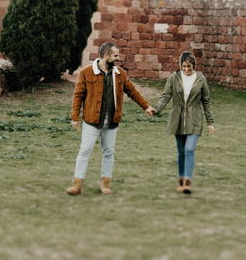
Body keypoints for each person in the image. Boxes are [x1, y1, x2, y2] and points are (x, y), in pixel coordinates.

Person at [66, 42, 155, 196]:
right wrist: (75, 117)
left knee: (108, 153)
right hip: (91, 122)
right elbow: (78, 96)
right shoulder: (86, 73)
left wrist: (145, 106)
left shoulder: (119, 73)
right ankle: (77, 183)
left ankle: (105, 182)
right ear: (106, 55)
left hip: (112, 122)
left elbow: (132, 90)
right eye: (115, 56)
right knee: (85, 151)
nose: (117, 59)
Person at [150, 51, 215, 195]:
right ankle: (180, 181)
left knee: (189, 149)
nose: (186, 69)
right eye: (184, 66)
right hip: (177, 118)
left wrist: (210, 121)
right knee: (181, 152)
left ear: (194, 66)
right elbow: (166, 96)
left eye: (189, 67)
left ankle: (187, 182)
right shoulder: (174, 78)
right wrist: (156, 109)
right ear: (180, 65)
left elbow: (206, 101)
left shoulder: (201, 79)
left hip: (195, 119)